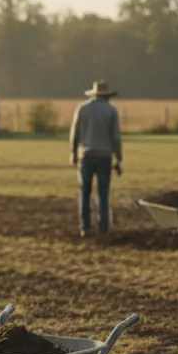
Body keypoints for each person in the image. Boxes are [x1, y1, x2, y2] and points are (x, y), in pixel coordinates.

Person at [68, 80, 123, 238]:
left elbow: (75, 133)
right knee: (103, 193)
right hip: (104, 155)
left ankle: (85, 227)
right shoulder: (111, 111)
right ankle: (103, 228)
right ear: (107, 96)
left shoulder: (82, 108)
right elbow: (115, 137)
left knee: (84, 192)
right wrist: (119, 159)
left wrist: (73, 153)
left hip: (85, 155)